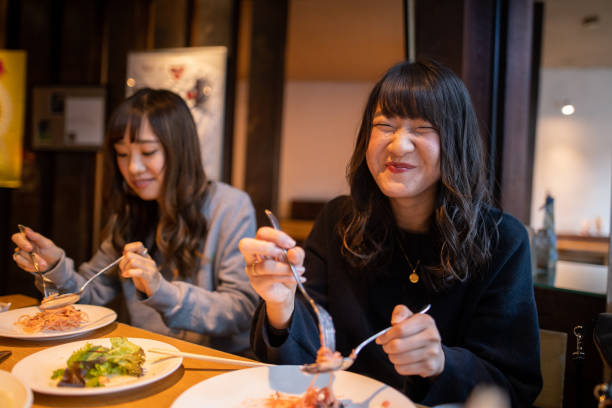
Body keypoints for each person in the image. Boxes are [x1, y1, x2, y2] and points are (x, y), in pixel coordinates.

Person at [239, 59, 542, 406]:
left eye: (422, 128)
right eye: (385, 125)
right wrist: (281, 305)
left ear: (456, 141)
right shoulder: (338, 220)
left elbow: (515, 388)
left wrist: (442, 363)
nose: (398, 146)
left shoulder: (502, 241)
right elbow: (303, 359)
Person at [12, 88, 258, 354]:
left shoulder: (230, 205)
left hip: (213, 366)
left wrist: (162, 291)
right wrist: (54, 266)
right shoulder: (132, 211)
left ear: (179, 150)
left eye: (148, 152)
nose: (133, 168)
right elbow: (90, 292)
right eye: (122, 154)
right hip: (146, 358)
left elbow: (241, 309)